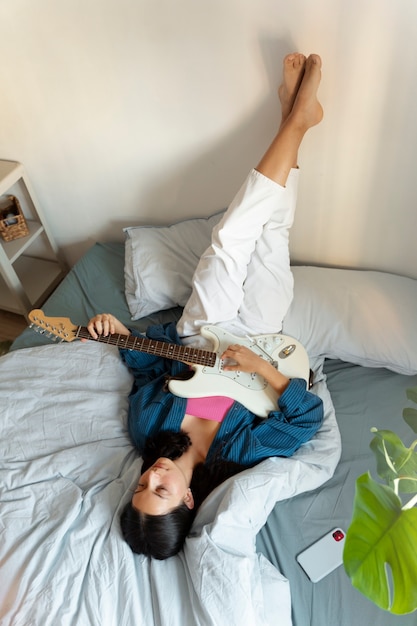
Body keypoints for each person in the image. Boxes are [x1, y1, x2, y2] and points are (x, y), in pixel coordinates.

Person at [87, 53, 324, 559]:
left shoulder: (147, 427)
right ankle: (294, 120)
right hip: (261, 337)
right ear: (190, 499)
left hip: (205, 330)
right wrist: (262, 367)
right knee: (272, 236)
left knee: (227, 240)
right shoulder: (237, 455)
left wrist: (118, 335)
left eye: (140, 488)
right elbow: (305, 420)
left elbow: (151, 361)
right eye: (162, 493)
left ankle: (298, 119)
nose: (151, 478)